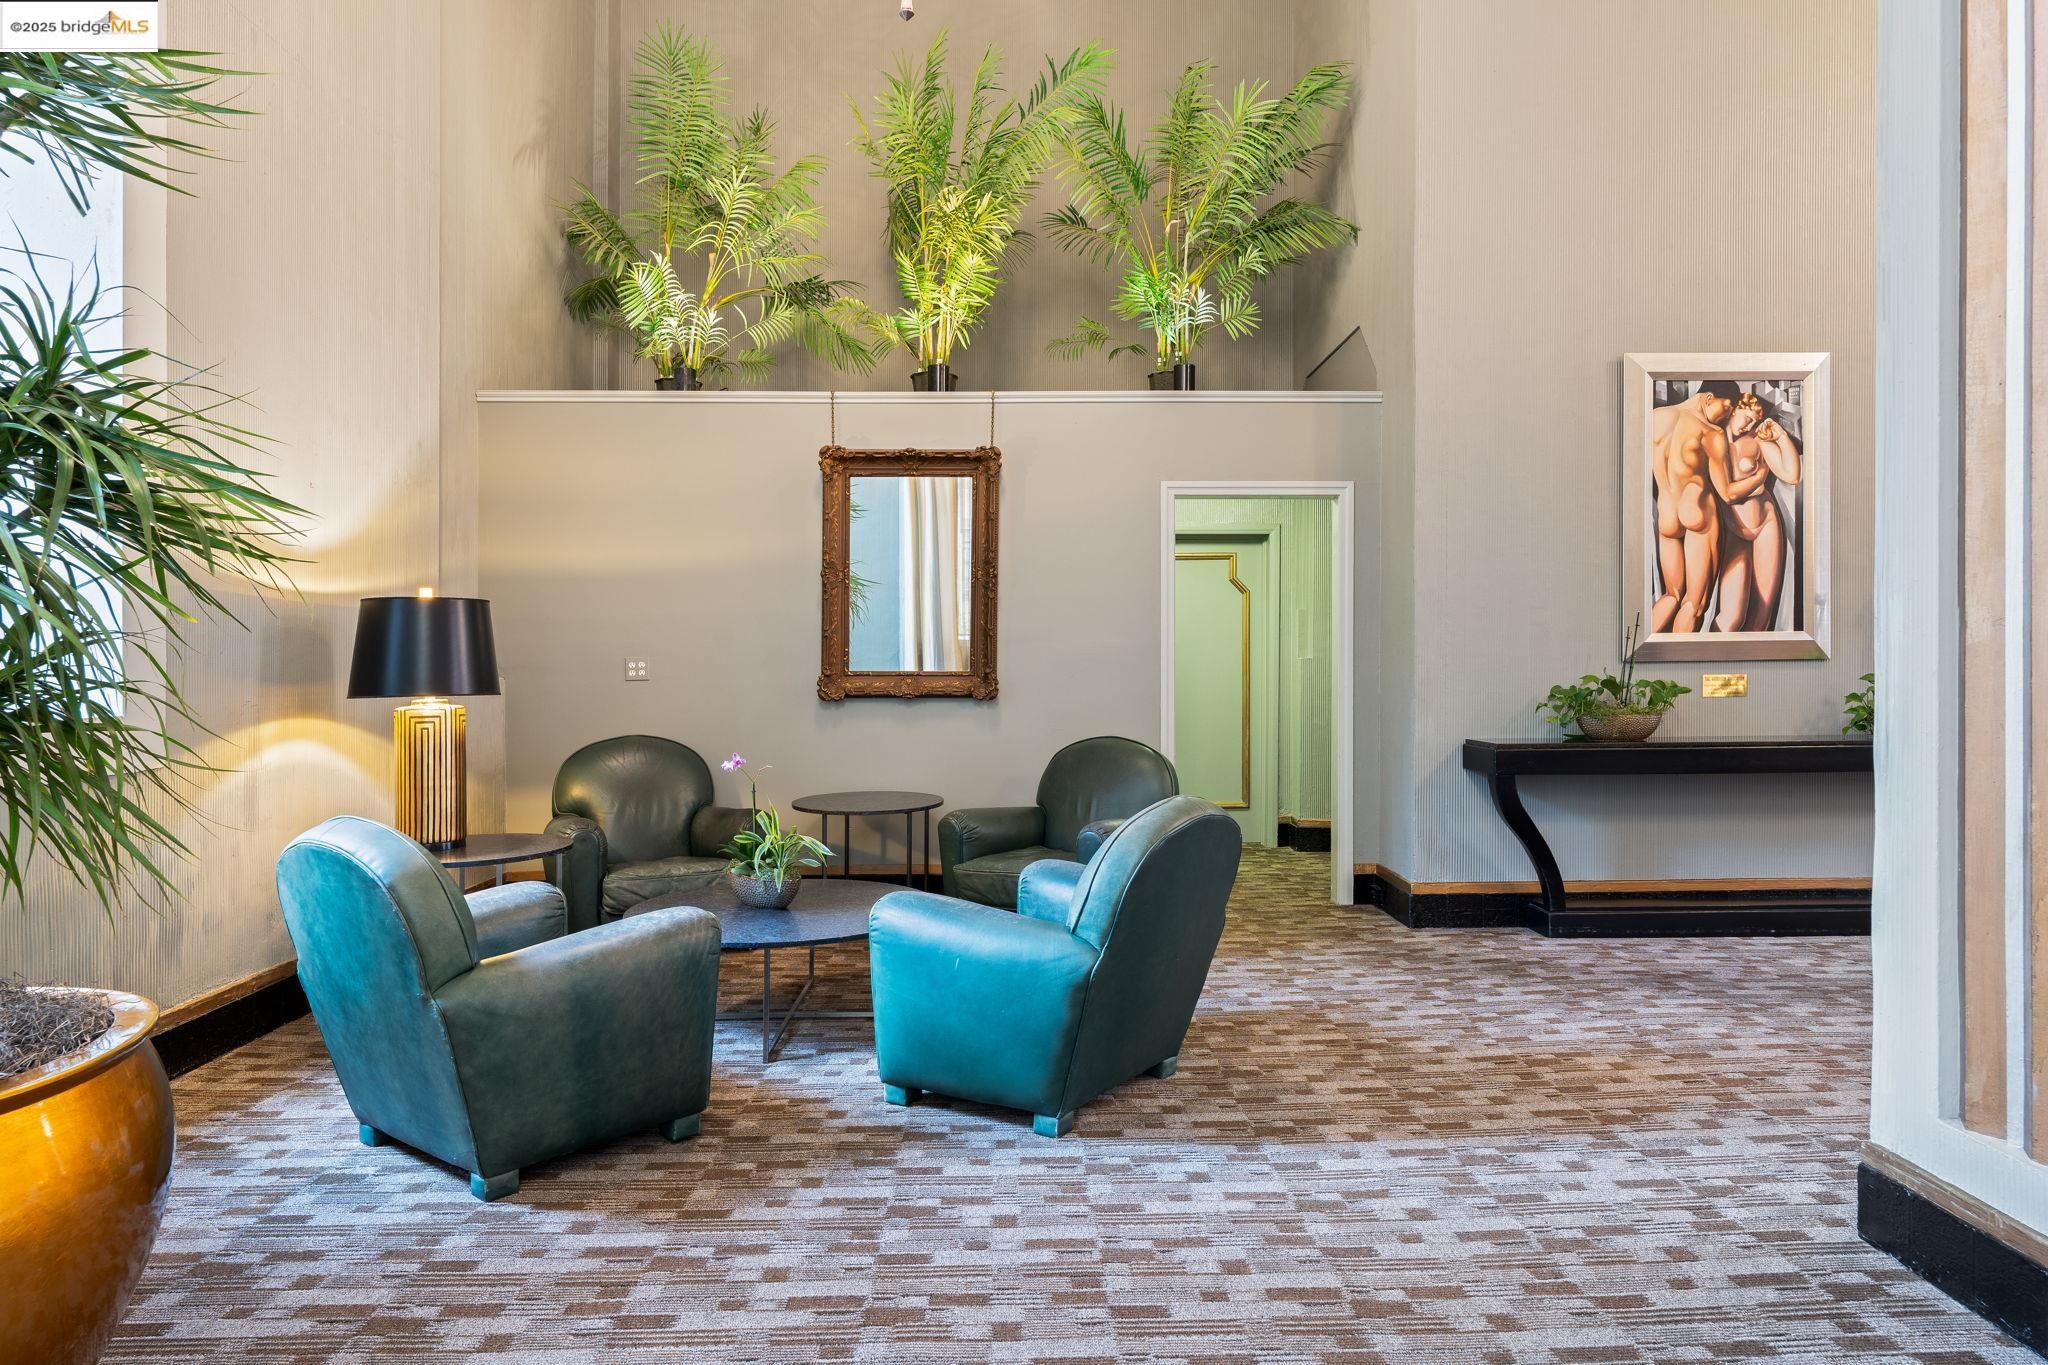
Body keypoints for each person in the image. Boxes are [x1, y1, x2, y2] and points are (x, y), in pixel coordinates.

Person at [1648, 383, 1737, 633]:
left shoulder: (1654, 418)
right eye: (1726, 408)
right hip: (1697, 509)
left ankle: (1634, 654)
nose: (1726, 417)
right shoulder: (1710, 432)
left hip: (1667, 513)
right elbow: (1727, 493)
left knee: (1670, 595)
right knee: (1695, 605)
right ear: (1709, 398)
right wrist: (1760, 474)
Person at [1710, 391, 1801, 632]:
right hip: (1733, 532)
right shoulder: (1713, 441)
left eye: (1753, 421)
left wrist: (1780, 436)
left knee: (1761, 615)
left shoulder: (1756, 440)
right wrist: (1759, 477)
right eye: (1747, 418)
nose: (1749, 425)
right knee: (1731, 617)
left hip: (1765, 526)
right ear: (1734, 410)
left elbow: (1792, 475)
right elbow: (1727, 493)